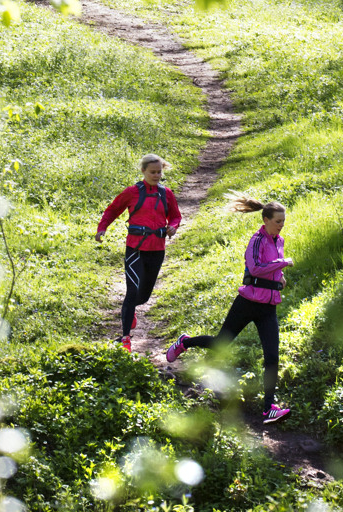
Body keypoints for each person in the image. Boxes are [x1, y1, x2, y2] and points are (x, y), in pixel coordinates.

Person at [165, 192, 292, 424]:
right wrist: (281, 263)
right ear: (265, 220)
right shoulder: (257, 240)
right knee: (220, 343)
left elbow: (273, 269)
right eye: (277, 221)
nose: (281, 225)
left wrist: (280, 278)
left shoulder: (279, 241)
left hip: (268, 307)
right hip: (248, 303)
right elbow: (256, 268)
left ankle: (268, 408)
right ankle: (185, 342)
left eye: (283, 221)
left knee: (272, 356)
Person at [96, 154, 182, 352]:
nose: (156, 175)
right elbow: (113, 210)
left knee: (143, 296)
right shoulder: (132, 192)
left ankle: (131, 309)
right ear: (143, 171)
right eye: (152, 172)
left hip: (157, 249)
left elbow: (176, 216)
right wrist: (102, 228)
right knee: (132, 292)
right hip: (135, 248)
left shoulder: (166, 193)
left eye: (159, 172)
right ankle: (125, 338)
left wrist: (173, 227)